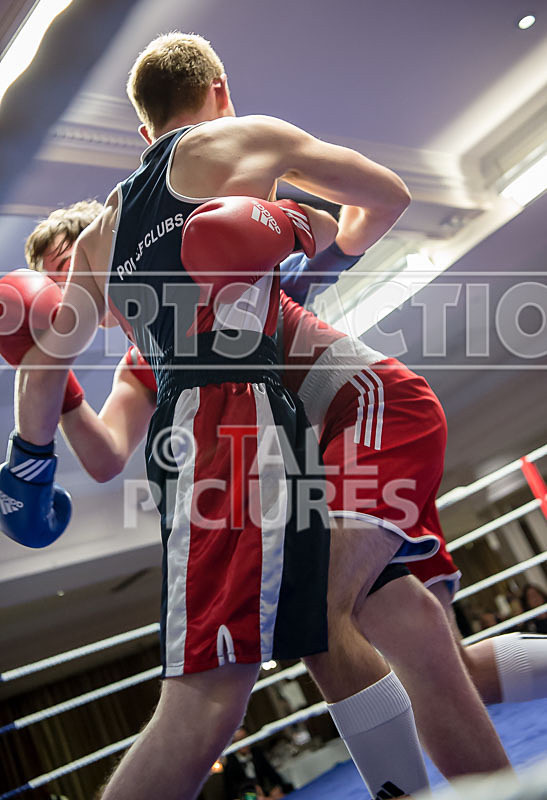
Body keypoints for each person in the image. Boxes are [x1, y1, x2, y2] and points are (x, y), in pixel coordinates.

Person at [0, 31, 439, 800]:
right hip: (237, 427)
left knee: (290, 646)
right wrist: (319, 249)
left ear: (140, 134)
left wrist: (26, 468)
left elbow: (44, 369)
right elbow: (384, 197)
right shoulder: (237, 149)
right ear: (218, 88)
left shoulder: (108, 231)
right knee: (215, 689)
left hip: (232, 433)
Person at [223, 726, 292, 800]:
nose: (243, 743)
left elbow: (271, 773)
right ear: (233, 743)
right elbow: (234, 792)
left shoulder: (256, 752)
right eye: (239, 741)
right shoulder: (230, 763)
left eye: (245, 738)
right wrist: (255, 796)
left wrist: (277, 787)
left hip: (263, 794)